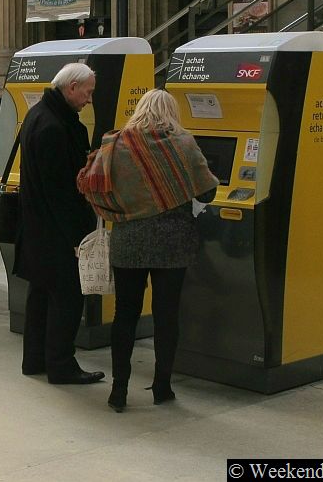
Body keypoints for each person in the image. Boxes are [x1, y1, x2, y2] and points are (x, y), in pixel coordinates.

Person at [77, 89, 218, 412]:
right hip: (173, 242)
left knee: (125, 314)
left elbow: (92, 185)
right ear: (171, 111)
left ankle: (119, 390)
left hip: (129, 242)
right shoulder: (184, 143)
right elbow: (208, 192)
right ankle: (162, 386)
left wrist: (119, 211)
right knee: (167, 316)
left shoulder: (117, 144)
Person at [14, 62, 105, 385]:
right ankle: (62, 365)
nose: (89, 99)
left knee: (40, 296)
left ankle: (34, 360)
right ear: (71, 88)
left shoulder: (38, 116)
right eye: (88, 92)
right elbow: (61, 192)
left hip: (37, 228)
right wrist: (77, 237)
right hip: (57, 232)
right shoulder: (55, 127)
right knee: (66, 299)